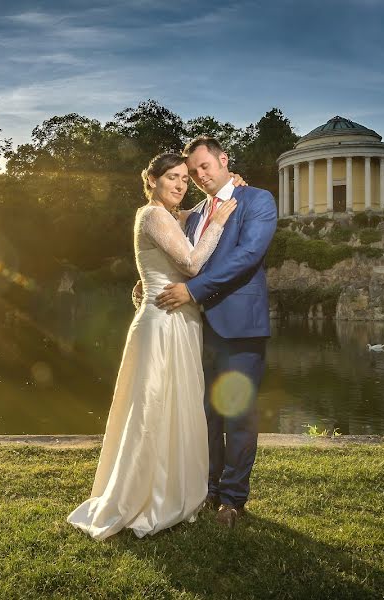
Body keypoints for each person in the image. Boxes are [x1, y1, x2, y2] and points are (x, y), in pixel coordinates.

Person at [67, 152, 237, 540]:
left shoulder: (171, 215)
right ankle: (143, 496)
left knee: (174, 407)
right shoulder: (152, 215)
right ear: (152, 181)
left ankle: (170, 490)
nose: (179, 184)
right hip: (161, 324)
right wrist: (221, 218)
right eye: (171, 178)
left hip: (179, 322)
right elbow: (192, 264)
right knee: (151, 407)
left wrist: (219, 195)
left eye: (183, 178)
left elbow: (191, 215)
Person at [154, 136, 277, 528]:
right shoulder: (194, 213)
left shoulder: (257, 200)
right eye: (192, 173)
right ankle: (208, 487)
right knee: (205, 413)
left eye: (205, 166)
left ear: (224, 160)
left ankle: (233, 500)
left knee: (238, 414)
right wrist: (151, 281)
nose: (200, 176)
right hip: (196, 327)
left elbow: (247, 257)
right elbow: (183, 258)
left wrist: (193, 290)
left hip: (241, 327)